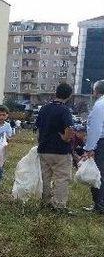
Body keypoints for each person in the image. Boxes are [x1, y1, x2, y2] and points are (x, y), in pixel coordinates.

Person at [36, 83, 74, 213]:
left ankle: (44, 202)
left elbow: (38, 130)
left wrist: (40, 143)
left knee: (45, 177)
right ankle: (58, 205)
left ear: (56, 93)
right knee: (61, 178)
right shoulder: (65, 110)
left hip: (44, 148)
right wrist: (66, 138)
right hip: (60, 151)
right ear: (69, 96)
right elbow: (69, 129)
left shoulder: (44, 108)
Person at [83, 79, 104, 215]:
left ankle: (99, 204)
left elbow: (95, 129)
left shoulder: (100, 105)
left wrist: (89, 148)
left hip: (101, 143)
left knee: (98, 173)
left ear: (96, 91)